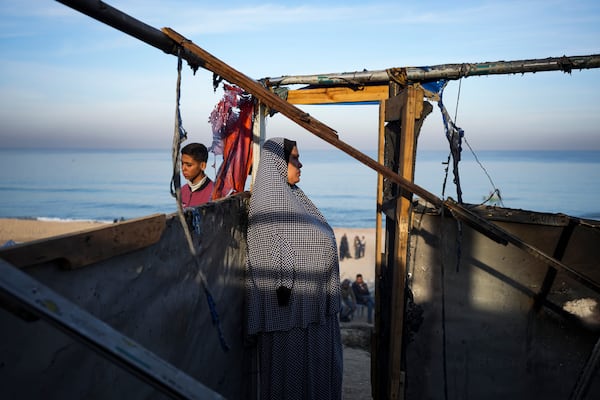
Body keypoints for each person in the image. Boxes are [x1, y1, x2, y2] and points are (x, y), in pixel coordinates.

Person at [245, 137, 343, 399]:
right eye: (294, 158)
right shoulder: (267, 208)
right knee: (291, 386)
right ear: (277, 163)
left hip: (314, 318)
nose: (300, 164)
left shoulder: (295, 199)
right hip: (290, 326)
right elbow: (266, 272)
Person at [180, 143, 214, 207]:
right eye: (182, 164)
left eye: (189, 165)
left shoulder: (214, 193)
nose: (183, 168)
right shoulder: (182, 190)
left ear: (202, 166)